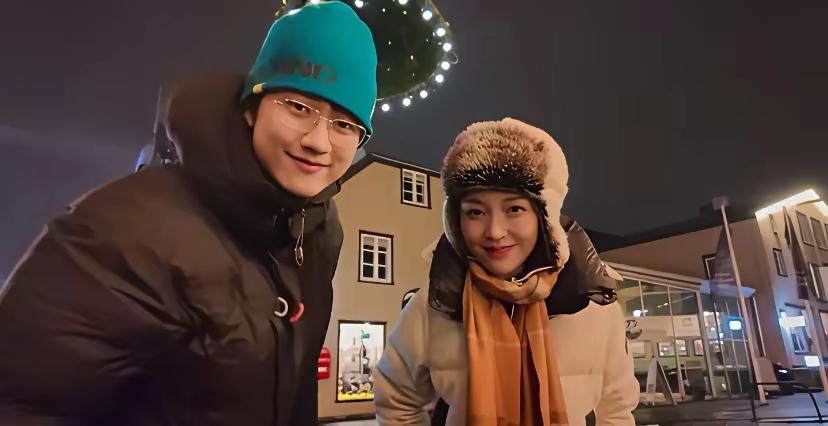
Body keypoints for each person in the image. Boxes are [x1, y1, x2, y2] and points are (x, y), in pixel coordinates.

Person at [0, 3, 377, 425]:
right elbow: (23, 404)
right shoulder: (121, 229)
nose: (318, 141)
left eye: (344, 124)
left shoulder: (319, 229)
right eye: (298, 107)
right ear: (252, 108)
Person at [373, 118, 639, 426]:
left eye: (514, 209)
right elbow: (397, 402)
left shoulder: (592, 304)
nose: (495, 232)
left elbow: (617, 409)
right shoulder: (433, 306)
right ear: (455, 221)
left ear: (544, 216)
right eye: (476, 212)